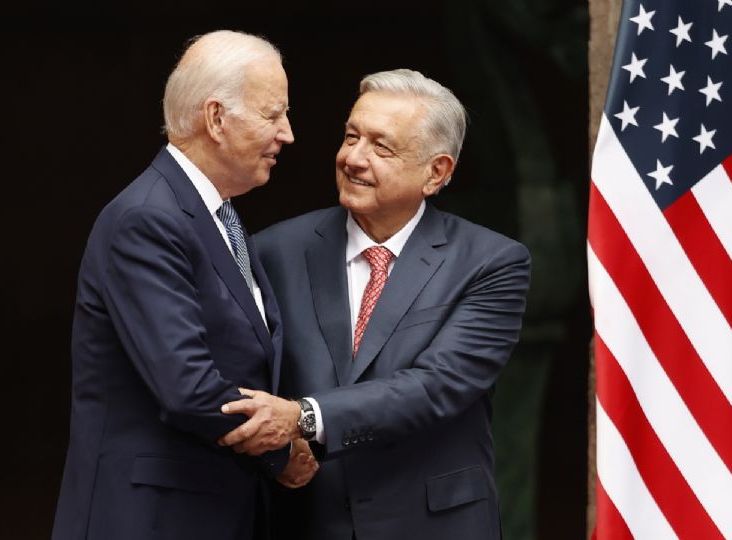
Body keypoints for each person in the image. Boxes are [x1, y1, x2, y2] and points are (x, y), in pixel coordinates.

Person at [219, 69, 531, 540]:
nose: (353, 159)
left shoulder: (491, 263)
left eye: (381, 147)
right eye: (350, 137)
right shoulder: (274, 251)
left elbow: (437, 385)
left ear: (437, 172)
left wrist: (303, 416)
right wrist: (275, 454)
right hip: (306, 517)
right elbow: (242, 376)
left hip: (434, 524)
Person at [51, 30, 316, 540]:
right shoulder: (147, 219)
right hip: (149, 517)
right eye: (272, 114)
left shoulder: (219, 216)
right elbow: (188, 388)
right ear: (216, 118)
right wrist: (282, 447)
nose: (288, 133)